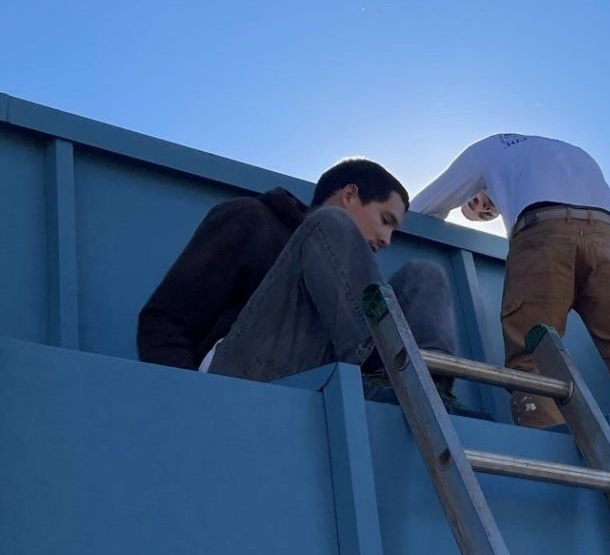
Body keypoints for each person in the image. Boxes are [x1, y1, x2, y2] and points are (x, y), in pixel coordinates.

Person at [412, 134, 610, 452]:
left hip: (543, 233)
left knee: (530, 357)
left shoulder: (490, 148)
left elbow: (421, 208)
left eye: (477, 201)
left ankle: (547, 452)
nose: (484, 206)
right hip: (609, 242)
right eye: (485, 213)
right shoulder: (577, 154)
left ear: (474, 187)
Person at [138, 158, 462, 402]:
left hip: (328, 376)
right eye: (385, 220)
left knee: (424, 274)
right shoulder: (252, 218)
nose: (387, 239)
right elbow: (164, 320)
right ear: (350, 195)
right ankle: (389, 372)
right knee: (330, 225)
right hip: (240, 376)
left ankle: (429, 389)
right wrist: (185, 399)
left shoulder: (352, 268)